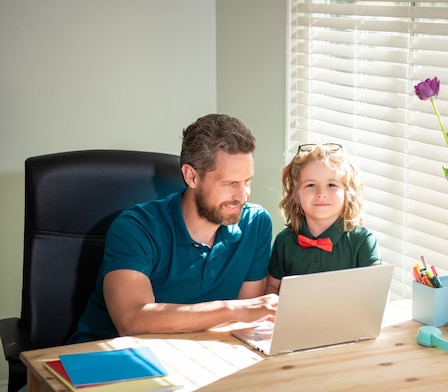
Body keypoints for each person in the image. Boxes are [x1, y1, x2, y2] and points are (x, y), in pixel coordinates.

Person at [69, 113, 278, 343]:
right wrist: (233, 309)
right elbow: (132, 321)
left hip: (194, 357)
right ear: (191, 176)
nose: (242, 195)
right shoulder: (135, 228)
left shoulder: (255, 224)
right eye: (230, 183)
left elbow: (243, 326)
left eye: (247, 181)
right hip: (104, 359)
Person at [265, 142, 382, 295]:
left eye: (332, 185)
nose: (321, 193)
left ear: (348, 193)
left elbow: (376, 295)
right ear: (295, 195)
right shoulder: (284, 241)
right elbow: (272, 287)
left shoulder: (362, 240)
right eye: (311, 185)